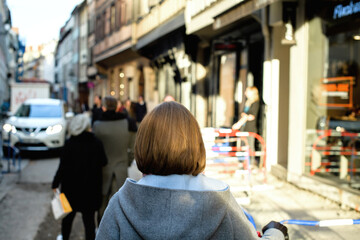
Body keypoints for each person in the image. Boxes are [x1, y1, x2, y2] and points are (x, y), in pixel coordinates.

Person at [95, 101, 288, 240]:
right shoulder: (221, 201)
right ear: (195, 144)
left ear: (144, 144)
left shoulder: (121, 204)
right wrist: (275, 233)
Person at [52, 114, 108, 240]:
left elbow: (62, 166)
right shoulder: (96, 143)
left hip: (70, 189)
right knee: (89, 222)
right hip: (90, 189)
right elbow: (104, 161)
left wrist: (55, 183)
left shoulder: (69, 143)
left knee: (67, 219)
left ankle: (64, 237)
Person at [92, 96, 137, 222]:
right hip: (121, 167)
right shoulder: (127, 123)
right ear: (117, 106)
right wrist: (127, 161)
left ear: (104, 107)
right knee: (121, 204)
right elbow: (132, 148)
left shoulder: (97, 125)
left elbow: (95, 149)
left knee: (103, 204)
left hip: (103, 170)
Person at [232, 86, 260, 165]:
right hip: (244, 127)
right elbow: (245, 114)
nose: (245, 93)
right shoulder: (247, 102)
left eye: (247, 91)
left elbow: (251, 116)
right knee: (244, 146)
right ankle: (245, 163)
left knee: (250, 146)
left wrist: (242, 119)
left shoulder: (255, 103)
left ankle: (251, 163)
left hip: (250, 128)